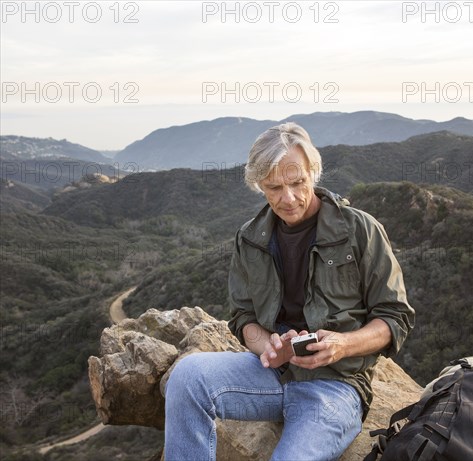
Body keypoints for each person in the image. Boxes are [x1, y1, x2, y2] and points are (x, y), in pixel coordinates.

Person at [164, 122, 415, 461]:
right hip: (271, 376)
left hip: (335, 386)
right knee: (187, 378)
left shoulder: (360, 229)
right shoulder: (250, 238)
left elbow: (394, 317)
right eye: (274, 187)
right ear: (258, 186)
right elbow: (243, 317)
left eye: (297, 183)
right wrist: (265, 346)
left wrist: (342, 345)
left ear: (313, 171)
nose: (289, 198)